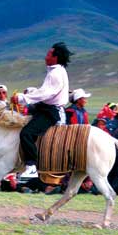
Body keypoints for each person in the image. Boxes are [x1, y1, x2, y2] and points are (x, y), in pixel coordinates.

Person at [11, 42, 73, 171]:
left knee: (26, 133)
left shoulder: (55, 74)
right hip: (45, 108)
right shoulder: (57, 71)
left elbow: (46, 93)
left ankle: (31, 165)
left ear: (55, 57)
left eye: (48, 54)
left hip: (50, 112)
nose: (45, 57)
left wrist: (22, 98)